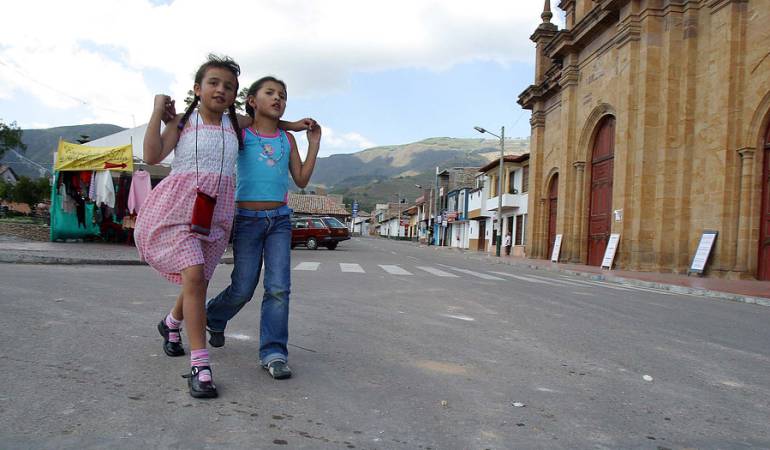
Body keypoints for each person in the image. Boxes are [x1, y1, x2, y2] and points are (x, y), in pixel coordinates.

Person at [135, 55, 311, 398]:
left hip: (216, 212)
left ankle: (171, 323)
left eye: (228, 86)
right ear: (197, 89)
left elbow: (266, 121)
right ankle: (200, 366)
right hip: (180, 207)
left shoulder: (236, 124)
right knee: (195, 276)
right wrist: (158, 111)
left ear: (235, 95)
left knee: (197, 278)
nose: (221, 90)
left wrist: (292, 126)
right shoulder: (183, 122)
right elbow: (152, 155)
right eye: (213, 83)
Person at [205, 76, 322, 380]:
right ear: (252, 101)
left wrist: (313, 143)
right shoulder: (241, 132)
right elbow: (236, 117)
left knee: (278, 288)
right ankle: (214, 314)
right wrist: (289, 123)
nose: (278, 98)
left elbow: (301, 179)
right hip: (246, 220)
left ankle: (273, 352)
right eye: (270, 93)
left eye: (282, 95)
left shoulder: (287, 140)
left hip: (280, 221)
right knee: (243, 287)